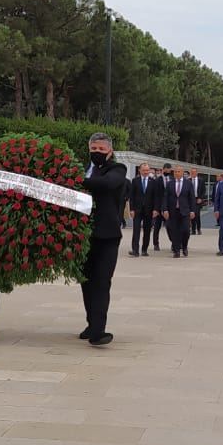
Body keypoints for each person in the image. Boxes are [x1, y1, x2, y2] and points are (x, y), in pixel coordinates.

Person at [79, 133, 127, 346]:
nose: (97, 153)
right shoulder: (80, 168)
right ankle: (92, 324)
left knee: (101, 282)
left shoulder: (117, 170)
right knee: (87, 282)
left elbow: (107, 185)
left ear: (110, 152)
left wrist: (78, 181)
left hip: (107, 236)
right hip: (82, 235)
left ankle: (99, 331)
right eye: (94, 149)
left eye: (101, 150)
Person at [127, 163, 161, 257]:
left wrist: (156, 209)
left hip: (149, 210)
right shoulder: (135, 181)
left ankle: (144, 249)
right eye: (144, 170)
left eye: (147, 170)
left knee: (147, 231)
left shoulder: (153, 182)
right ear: (140, 170)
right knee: (136, 230)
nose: (146, 172)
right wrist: (131, 209)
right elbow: (132, 196)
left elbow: (156, 197)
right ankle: (135, 250)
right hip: (137, 210)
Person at [161, 165, 195, 258]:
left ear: (182, 172)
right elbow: (165, 198)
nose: (176, 173)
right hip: (173, 211)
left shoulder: (188, 183)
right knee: (174, 231)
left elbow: (191, 198)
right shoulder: (170, 184)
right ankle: (176, 251)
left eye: (178, 171)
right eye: (175, 172)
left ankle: (184, 246)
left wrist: (192, 210)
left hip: (185, 211)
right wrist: (165, 209)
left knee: (185, 230)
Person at [152, 163, 172, 251]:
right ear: (163, 169)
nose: (168, 171)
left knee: (170, 227)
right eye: (167, 170)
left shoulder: (172, 180)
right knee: (157, 227)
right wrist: (156, 209)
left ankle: (174, 242)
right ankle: (156, 244)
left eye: (170, 170)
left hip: (169, 208)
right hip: (159, 207)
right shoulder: (157, 180)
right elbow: (155, 195)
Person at [189, 168, 204, 235]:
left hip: (198, 199)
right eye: (192, 172)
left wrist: (201, 198)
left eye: (194, 172)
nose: (193, 173)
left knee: (197, 215)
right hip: (191, 199)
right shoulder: (188, 180)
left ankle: (198, 228)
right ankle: (193, 230)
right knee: (192, 214)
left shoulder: (201, 180)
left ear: (197, 173)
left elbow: (203, 190)